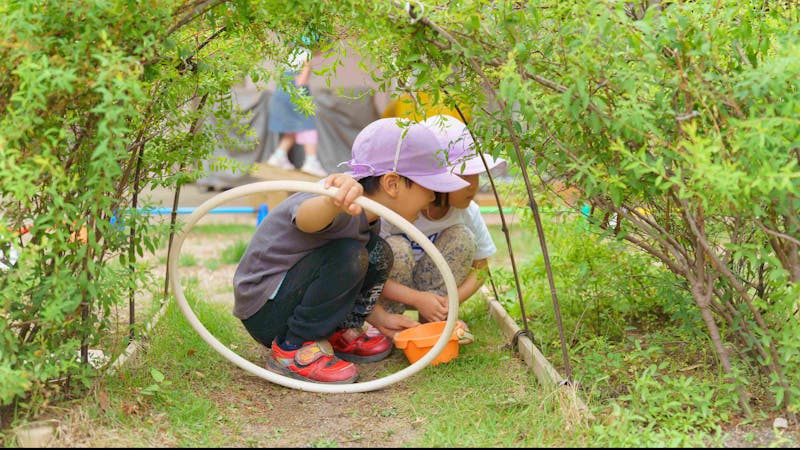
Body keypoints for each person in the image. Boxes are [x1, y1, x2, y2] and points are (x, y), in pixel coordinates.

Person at [232, 117, 470, 384]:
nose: (433, 197)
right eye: (431, 188)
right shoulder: (337, 204)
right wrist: (332, 202)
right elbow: (306, 220)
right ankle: (293, 349)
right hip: (267, 308)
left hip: (292, 300)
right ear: (392, 184)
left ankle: (340, 331)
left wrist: (380, 319)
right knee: (349, 255)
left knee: (378, 253)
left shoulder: (370, 220)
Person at [378, 115, 507, 344]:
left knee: (463, 237)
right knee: (394, 248)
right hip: (396, 290)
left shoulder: (467, 213)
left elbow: (481, 269)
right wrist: (416, 298)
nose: (474, 184)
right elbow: (370, 275)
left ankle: (434, 319)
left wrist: (448, 302)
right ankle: (388, 322)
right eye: (464, 174)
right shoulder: (397, 210)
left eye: (476, 174)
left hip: (435, 295)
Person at [265, 46, 328, 177]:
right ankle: (311, 161)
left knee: (293, 128)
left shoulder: (291, 52)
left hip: (281, 93)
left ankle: (278, 156)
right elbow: (301, 81)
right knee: (309, 126)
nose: (321, 52)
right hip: (296, 94)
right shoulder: (306, 55)